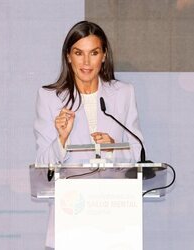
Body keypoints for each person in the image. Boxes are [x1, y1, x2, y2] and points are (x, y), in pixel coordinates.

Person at [34, 21, 143, 249]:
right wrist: (61, 140)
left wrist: (114, 148)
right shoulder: (50, 98)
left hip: (115, 215)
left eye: (93, 53)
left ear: (103, 56)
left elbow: (138, 153)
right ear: (68, 56)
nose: (86, 62)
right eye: (78, 53)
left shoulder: (123, 93)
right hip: (72, 214)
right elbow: (43, 167)